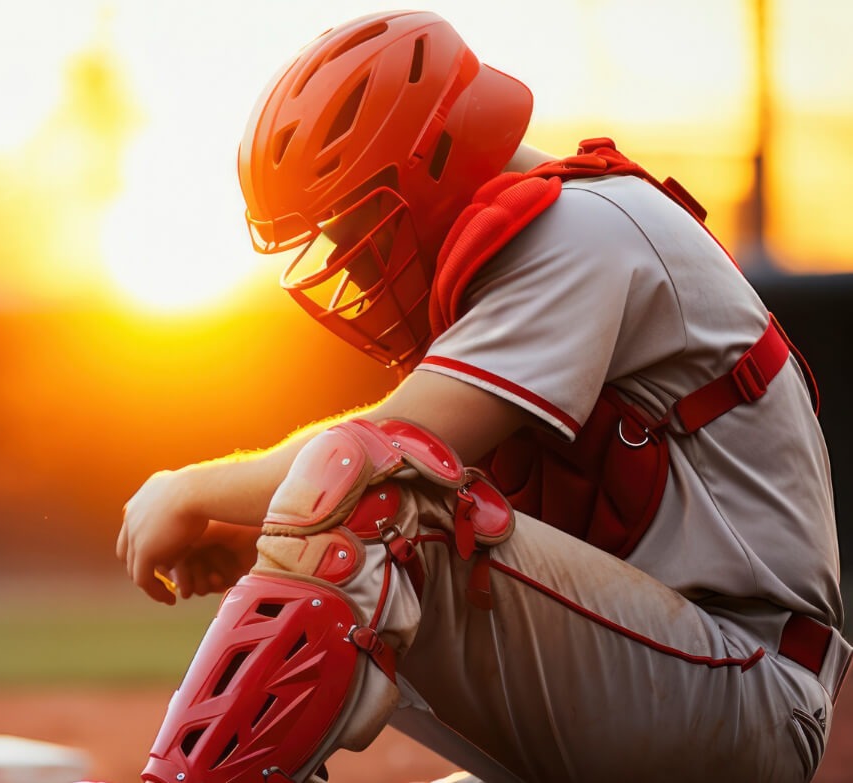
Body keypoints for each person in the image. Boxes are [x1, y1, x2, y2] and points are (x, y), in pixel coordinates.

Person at [115, 10, 847, 783]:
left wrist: (189, 488)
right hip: (668, 675)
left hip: (747, 693)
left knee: (374, 494)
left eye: (355, 217)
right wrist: (289, 549)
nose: (350, 260)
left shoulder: (579, 233)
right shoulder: (535, 252)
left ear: (434, 156)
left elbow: (383, 454)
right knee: (364, 521)